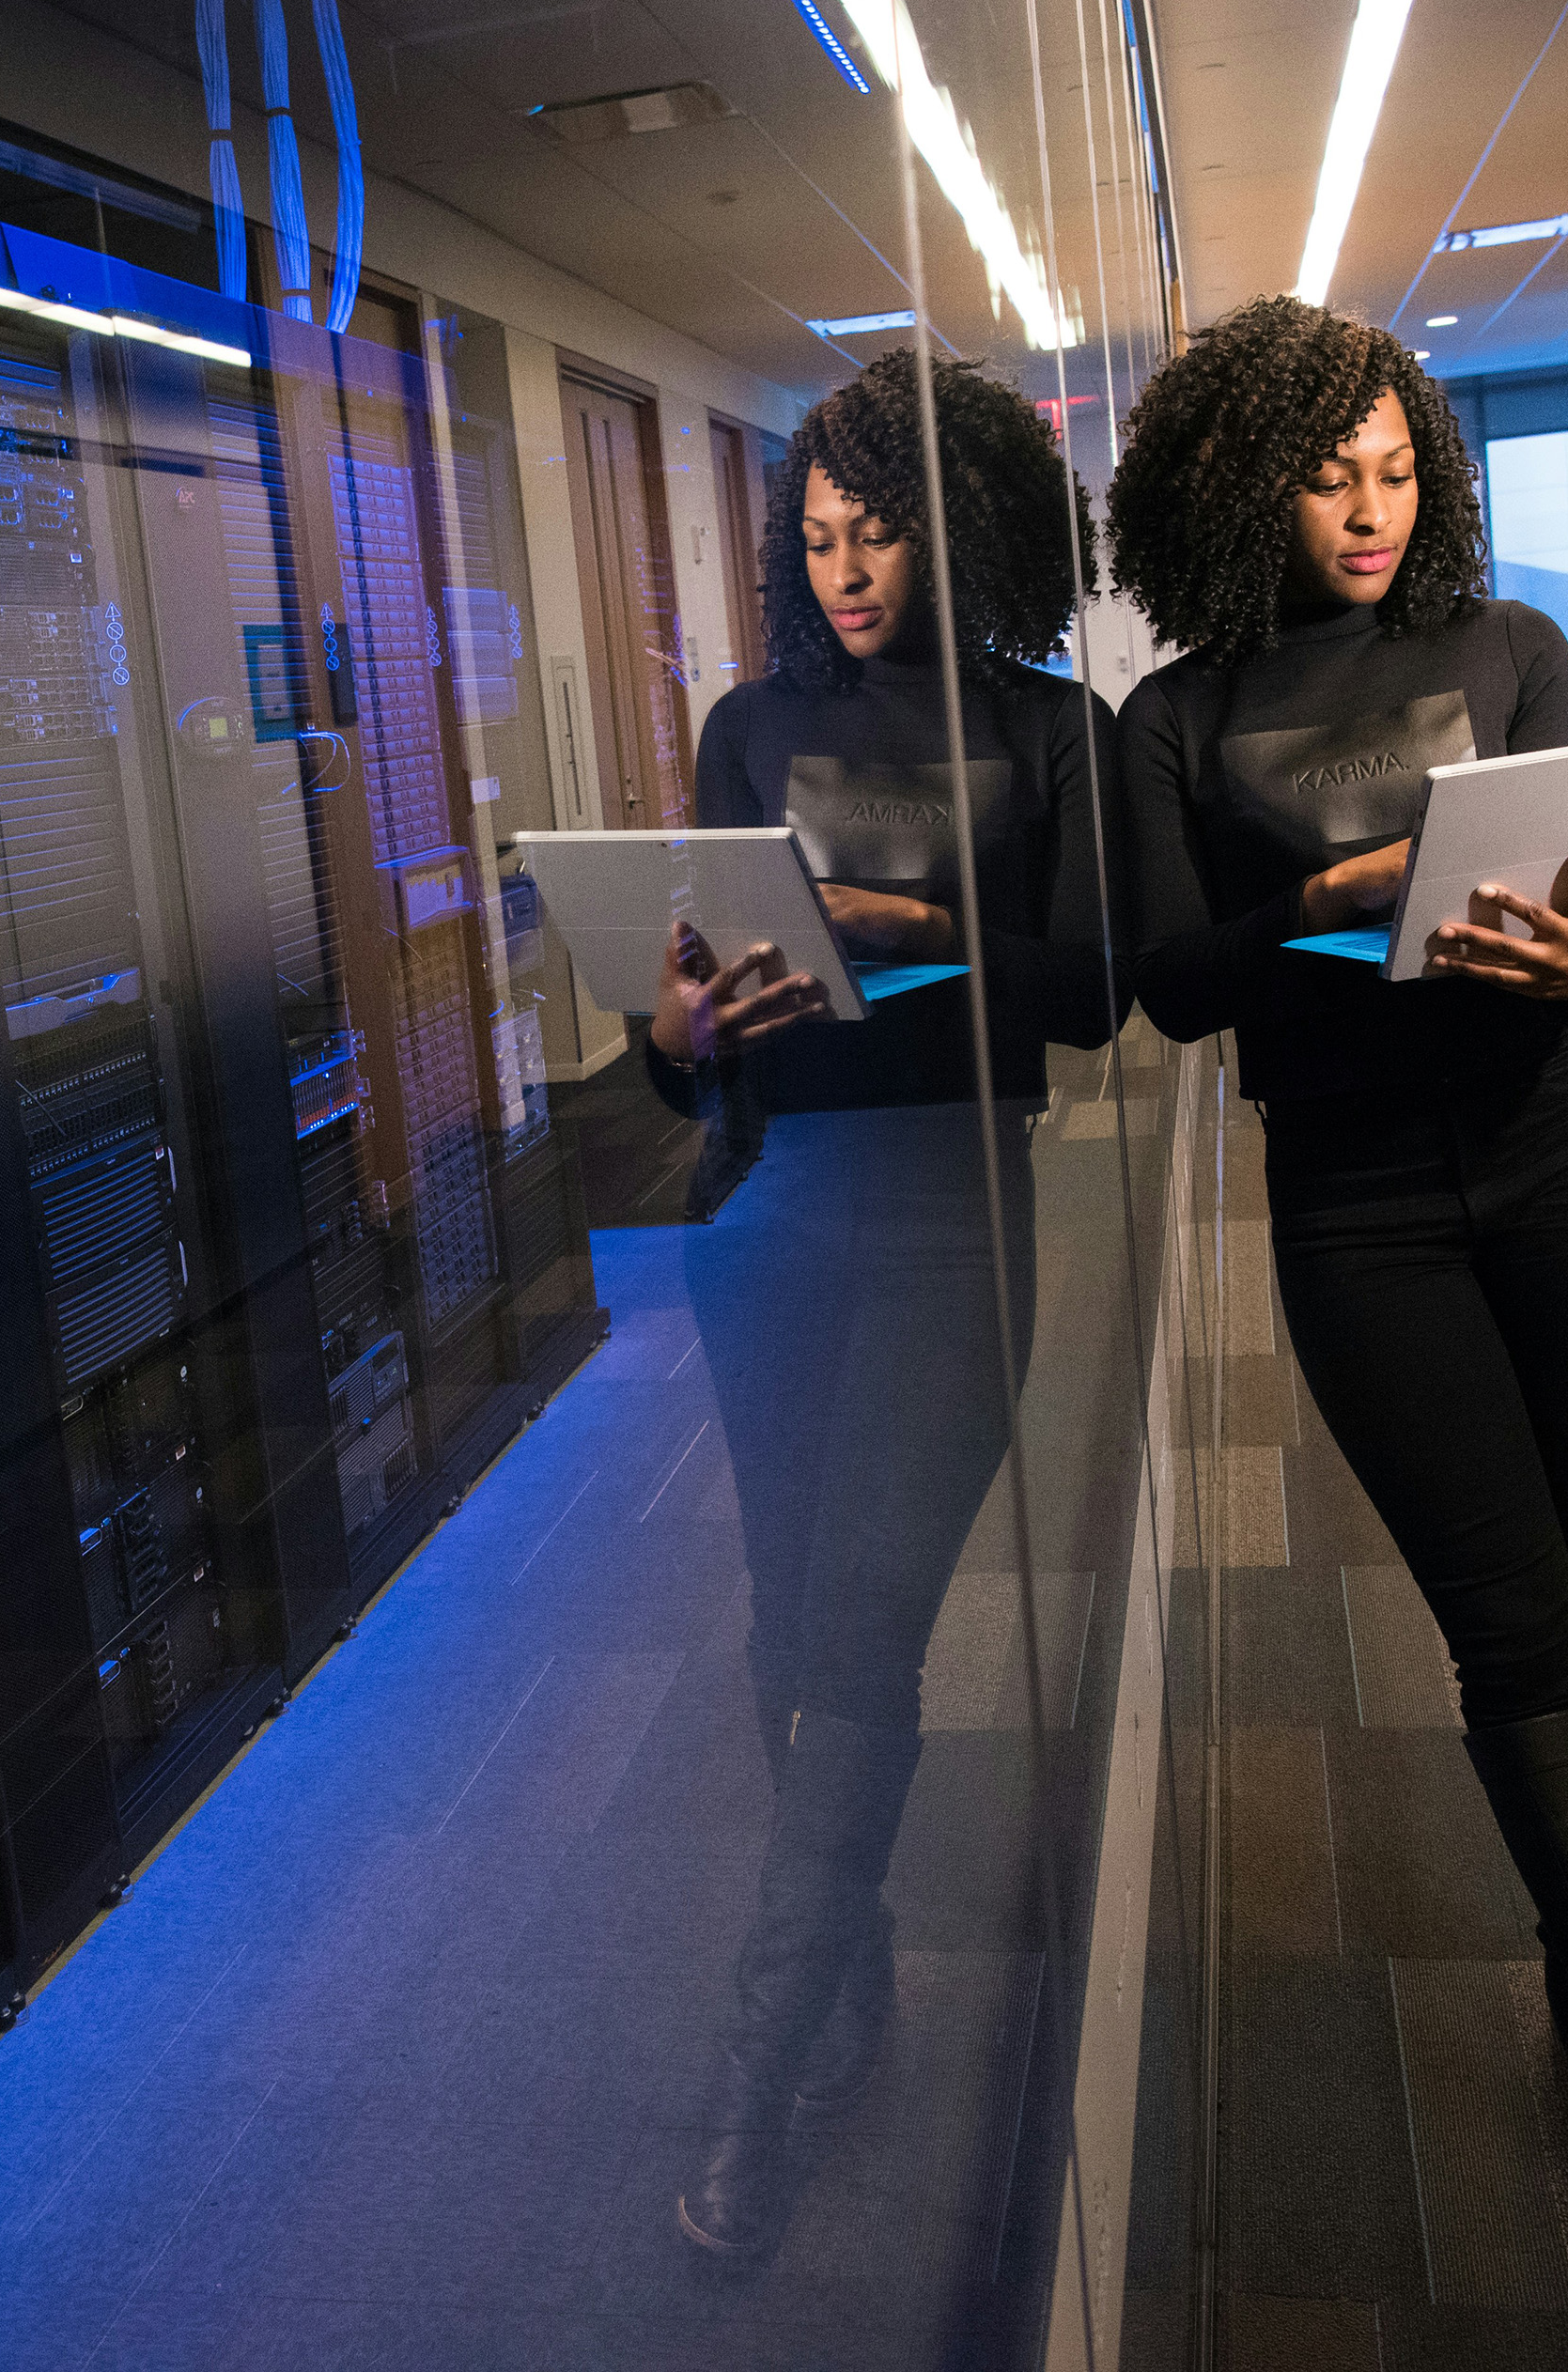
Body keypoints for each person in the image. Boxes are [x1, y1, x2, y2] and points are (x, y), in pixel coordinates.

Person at [1105, 295, 1568, 2308]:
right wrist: (1317, 905)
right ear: (1244, 485)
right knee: (1511, 1638)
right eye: (1330, 477)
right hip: (1360, 1206)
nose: (1375, 510)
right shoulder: (1179, 719)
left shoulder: (1515, 652)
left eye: (1402, 471)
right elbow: (1167, 979)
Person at [643, 349, 1122, 2256]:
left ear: (961, 521)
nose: (847, 569)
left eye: (882, 531)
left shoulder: (1046, 727)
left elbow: (1098, 995)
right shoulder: (748, 725)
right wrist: (680, 1030)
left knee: (860, 1636)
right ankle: (851, 1982)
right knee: (784, 1632)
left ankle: (755, 2073)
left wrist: (931, 932)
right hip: (773, 1210)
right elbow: (687, 1042)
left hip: (953, 1223)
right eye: (820, 537)